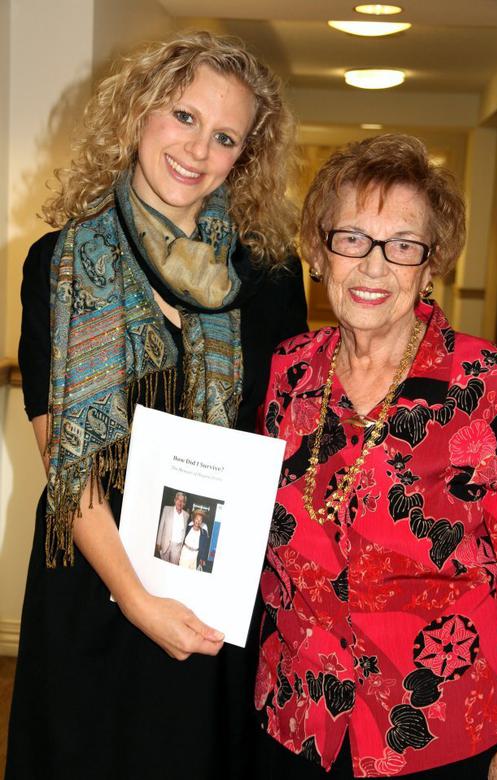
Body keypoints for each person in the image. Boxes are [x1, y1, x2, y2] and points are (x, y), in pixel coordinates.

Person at [6, 31, 307, 780]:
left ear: (245, 156)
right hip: (96, 587)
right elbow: (64, 457)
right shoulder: (62, 263)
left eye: (226, 136)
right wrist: (137, 599)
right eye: (183, 116)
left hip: (214, 595)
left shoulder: (270, 277)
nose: (197, 149)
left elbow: (282, 439)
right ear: (140, 110)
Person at [254, 134, 497, 779]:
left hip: (436, 728)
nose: (374, 267)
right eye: (352, 238)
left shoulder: (487, 382)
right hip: (297, 718)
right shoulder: (289, 370)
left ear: (431, 266)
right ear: (320, 252)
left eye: (402, 245)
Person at [156, 491, 189, 563]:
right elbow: (161, 526)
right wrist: (158, 542)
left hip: (177, 546)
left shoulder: (186, 515)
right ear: (175, 500)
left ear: (184, 504)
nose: (180, 502)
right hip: (165, 543)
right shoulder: (166, 509)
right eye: (178, 500)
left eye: (182, 501)